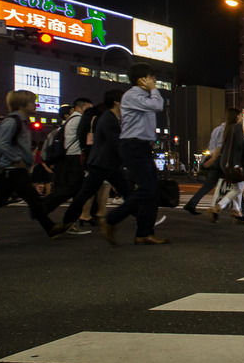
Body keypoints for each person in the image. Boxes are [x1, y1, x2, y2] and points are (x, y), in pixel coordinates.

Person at [0, 90, 59, 242]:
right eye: (32, 102)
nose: (35, 105)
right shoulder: (12, 121)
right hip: (12, 168)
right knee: (32, 198)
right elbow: (2, 144)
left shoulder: (21, 121)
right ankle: (50, 227)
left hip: (13, 168)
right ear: (22, 104)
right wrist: (17, 159)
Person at [101, 63, 167, 245]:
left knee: (152, 191)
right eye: (152, 77)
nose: (154, 81)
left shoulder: (141, 96)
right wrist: (154, 90)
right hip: (132, 145)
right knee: (147, 188)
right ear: (142, 79)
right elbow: (158, 105)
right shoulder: (131, 95)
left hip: (141, 145)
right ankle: (111, 219)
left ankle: (144, 233)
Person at [53, 90, 131, 235]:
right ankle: (68, 221)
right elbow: (114, 142)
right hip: (103, 163)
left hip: (104, 163)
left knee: (123, 192)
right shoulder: (108, 118)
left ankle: (144, 220)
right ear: (116, 102)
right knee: (86, 194)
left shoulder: (110, 117)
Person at [183, 108, 242, 216]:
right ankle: (232, 209)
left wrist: (211, 159)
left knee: (210, 185)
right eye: (240, 116)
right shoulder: (228, 129)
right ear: (236, 117)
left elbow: (211, 145)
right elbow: (221, 146)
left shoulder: (216, 129)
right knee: (235, 183)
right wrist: (213, 160)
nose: (241, 118)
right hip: (221, 160)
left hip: (215, 158)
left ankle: (192, 203)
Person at [40, 98, 92, 214]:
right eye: (88, 108)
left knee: (73, 188)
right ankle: (45, 207)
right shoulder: (79, 119)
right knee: (74, 189)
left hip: (68, 157)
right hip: (75, 157)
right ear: (79, 107)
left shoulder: (70, 120)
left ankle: (46, 207)